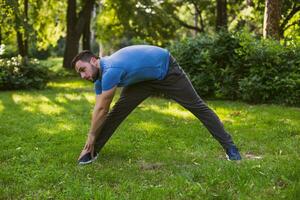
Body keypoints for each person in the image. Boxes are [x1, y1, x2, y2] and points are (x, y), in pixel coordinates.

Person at [72, 45, 242, 165]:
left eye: (82, 69)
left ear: (94, 61)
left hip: (166, 70)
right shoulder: (99, 80)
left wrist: (91, 135)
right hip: (141, 81)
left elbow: (102, 109)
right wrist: (91, 136)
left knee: (198, 107)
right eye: (79, 73)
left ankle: (231, 149)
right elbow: (98, 111)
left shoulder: (110, 70)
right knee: (117, 113)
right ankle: (91, 153)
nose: (82, 75)